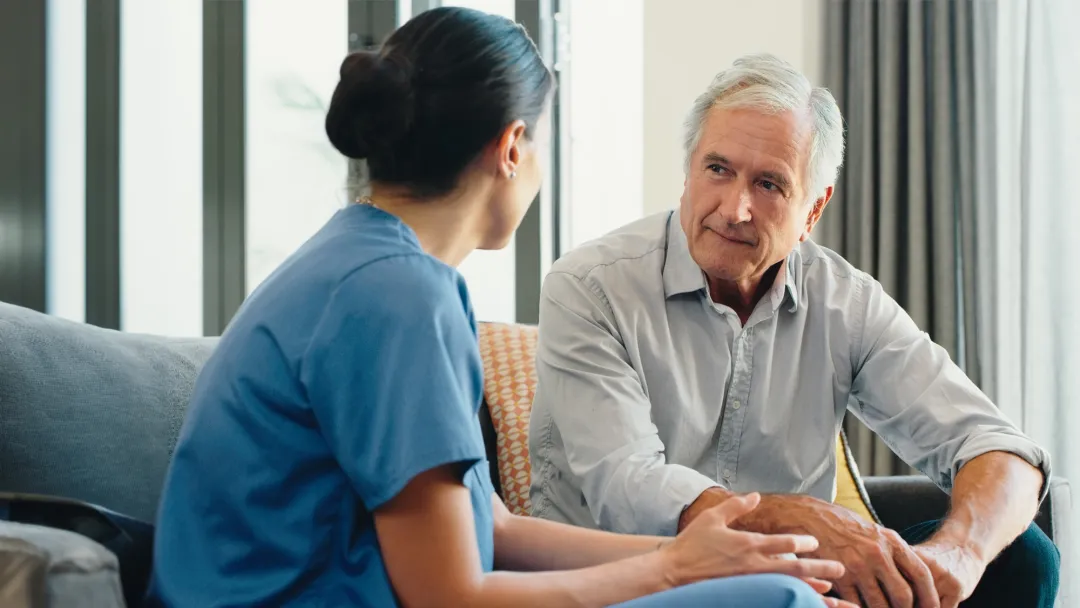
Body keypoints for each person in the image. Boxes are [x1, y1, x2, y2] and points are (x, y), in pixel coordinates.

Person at [145, 10, 856, 608]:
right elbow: (449, 594)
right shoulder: (399, 293)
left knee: (762, 585)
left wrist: (703, 554)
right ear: (513, 147)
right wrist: (674, 571)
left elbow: (493, 530)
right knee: (781, 601)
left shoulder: (366, 262)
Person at [528, 53, 1060, 608]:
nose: (735, 209)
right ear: (687, 173)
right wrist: (796, 519)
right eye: (717, 169)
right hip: (630, 580)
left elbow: (1000, 448)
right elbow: (625, 486)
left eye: (769, 184)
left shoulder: (845, 302)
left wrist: (959, 554)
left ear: (813, 210)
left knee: (1024, 558)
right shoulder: (589, 287)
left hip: (796, 586)